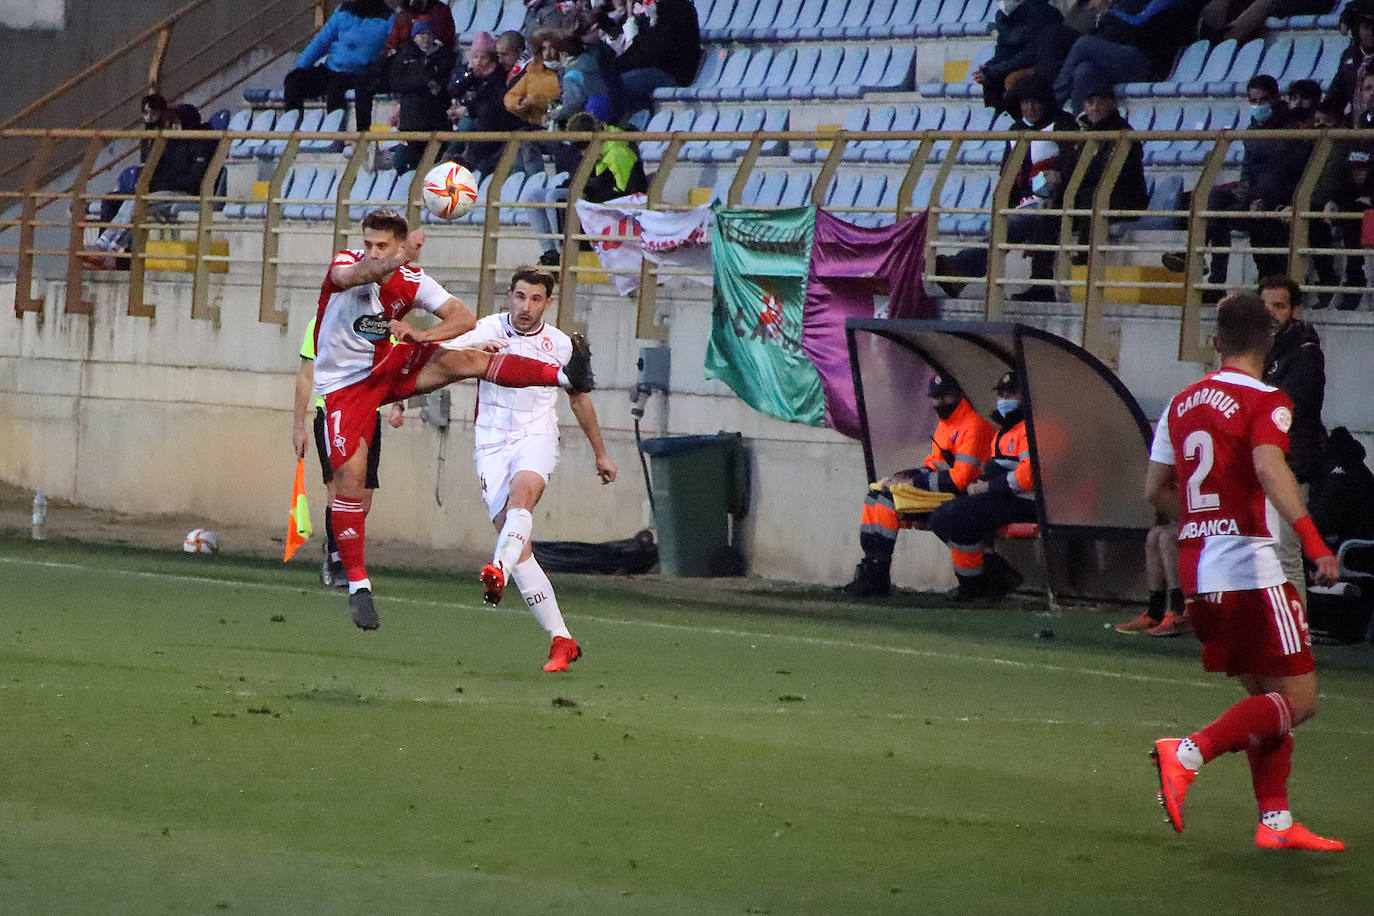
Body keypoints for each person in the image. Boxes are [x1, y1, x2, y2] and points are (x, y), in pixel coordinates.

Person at [312, 208, 595, 631]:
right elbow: (350, 278)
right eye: (368, 243)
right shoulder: (346, 263)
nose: (371, 251)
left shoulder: (412, 281)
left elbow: (461, 318)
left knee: (471, 360)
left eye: (381, 245)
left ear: (398, 243)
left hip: (390, 365)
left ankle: (563, 373)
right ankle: (358, 585)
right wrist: (396, 258)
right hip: (345, 388)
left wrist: (423, 336)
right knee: (350, 482)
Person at [1146, 293, 1344, 852]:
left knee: (1267, 701)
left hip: (1198, 572)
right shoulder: (1267, 399)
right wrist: (1311, 540)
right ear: (1270, 340)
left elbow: (1152, 490)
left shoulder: (1180, 402)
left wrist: (1203, 520)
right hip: (1250, 570)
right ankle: (1186, 753)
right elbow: (1267, 464)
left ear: (1215, 341)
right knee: (1300, 701)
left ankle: (1275, 824)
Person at [438, 267, 617, 672]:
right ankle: (562, 639)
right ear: (509, 295)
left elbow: (579, 400)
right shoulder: (486, 329)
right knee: (519, 548)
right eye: (520, 297)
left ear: (548, 304)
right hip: (490, 442)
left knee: (523, 501)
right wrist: (478, 348)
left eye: (536, 299)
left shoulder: (560, 345)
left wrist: (600, 453)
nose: (526, 306)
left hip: (536, 438)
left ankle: (495, 569)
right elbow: (440, 362)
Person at [840, 374, 996, 598]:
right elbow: (934, 465)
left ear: (959, 396)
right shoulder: (947, 424)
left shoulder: (972, 426)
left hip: (961, 493)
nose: (940, 402)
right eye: (936, 398)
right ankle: (872, 566)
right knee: (876, 493)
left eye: (945, 396)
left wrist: (913, 482)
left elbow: (959, 480)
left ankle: (877, 575)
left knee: (886, 500)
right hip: (942, 490)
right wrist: (905, 476)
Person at [293, 316, 403, 587]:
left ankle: (338, 544)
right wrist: (298, 424)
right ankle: (336, 560)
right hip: (333, 411)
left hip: (368, 413)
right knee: (339, 489)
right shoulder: (320, 322)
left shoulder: (378, 323)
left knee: (363, 499)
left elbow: (393, 365)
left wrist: (398, 404)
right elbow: (307, 374)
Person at [928, 370, 1039, 602]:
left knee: (957, 514)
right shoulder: (1005, 431)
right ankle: (987, 576)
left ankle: (978, 584)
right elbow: (996, 467)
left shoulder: (1033, 428)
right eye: (1002, 394)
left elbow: (1027, 477)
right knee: (940, 517)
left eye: (1012, 393)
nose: (1005, 399)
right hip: (1004, 497)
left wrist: (989, 487)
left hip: (1028, 501)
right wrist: (983, 482)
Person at [1260, 277, 1327, 606]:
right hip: (1264, 465)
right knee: (1265, 557)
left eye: (1279, 306)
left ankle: (1296, 636)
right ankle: (1273, 634)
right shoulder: (1263, 350)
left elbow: (1288, 406)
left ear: (1295, 310)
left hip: (1290, 467)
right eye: (1265, 306)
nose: (1270, 313)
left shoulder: (1305, 353)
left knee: (1284, 556)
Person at [82, 104, 213, 268]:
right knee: (131, 200)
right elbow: (154, 171)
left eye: (177, 122)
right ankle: (103, 245)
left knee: (140, 203)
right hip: (160, 192)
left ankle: (112, 250)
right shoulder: (169, 144)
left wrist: (161, 184)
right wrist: (152, 185)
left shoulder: (201, 145)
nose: (174, 126)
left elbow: (194, 180)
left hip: (183, 193)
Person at [528, 111, 648, 267]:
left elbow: (625, 193)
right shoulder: (596, 151)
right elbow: (581, 178)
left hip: (610, 212)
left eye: (583, 147)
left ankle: (561, 253)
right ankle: (550, 252)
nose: (582, 152)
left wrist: (590, 190)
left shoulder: (617, 152)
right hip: (592, 200)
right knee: (534, 196)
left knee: (555, 197)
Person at [1053, 0, 1203, 112]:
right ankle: (1080, 130)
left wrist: (1108, 11)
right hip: (1130, 55)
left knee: (1084, 44)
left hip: (1149, 61)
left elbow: (1138, 26)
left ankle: (1051, 106)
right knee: (1084, 71)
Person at [282, 0, 393, 134]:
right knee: (294, 82)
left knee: (337, 90)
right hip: (331, 69)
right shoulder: (343, 11)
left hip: (361, 74)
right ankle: (292, 132)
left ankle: (342, 138)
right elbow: (321, 42)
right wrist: (300, 66)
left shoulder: (388, 18)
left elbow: (391, 49)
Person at [388, 20, 457, 176]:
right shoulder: (405, 56)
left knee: (436, 165)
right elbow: (396, 82)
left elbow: (447, 83)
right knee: (406, 163)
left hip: (437, 120)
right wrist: (424, 82)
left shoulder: (444, 56)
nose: (425, 38)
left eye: (428, 34)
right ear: (414, 37)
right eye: (421, 34)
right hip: (411, 121)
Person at [973, 0, 1065, 116]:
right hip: (1017, 64)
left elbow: (1031, 55)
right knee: (989, 80)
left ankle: (1024, 123)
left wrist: (995, 70)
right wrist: (988, 68)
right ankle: (1000, 122)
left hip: (1040, 67)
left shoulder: (1041, 12)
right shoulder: (1002, 15)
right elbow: (1003, 50)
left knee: (1011, 80)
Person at [443, 30, 515, 174]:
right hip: (466, 115)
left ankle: (454, 159)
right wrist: (470, 76)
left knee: (466, 125)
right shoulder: (467, 72)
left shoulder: (497, 75)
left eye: (484, 58)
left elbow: (489, 99)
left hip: (487, 122)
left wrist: (467, 109)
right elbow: (453, 89)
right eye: (476, 57)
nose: (479, 61)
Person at [612, 0, 700, 113]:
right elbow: (638, 47)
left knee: (614, 85)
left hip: (671, 73)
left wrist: (615, 67)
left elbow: (653, 52)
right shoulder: (647, 9)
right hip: (650, 68)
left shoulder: (676, 7)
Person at [1112, 517, 1188, 635]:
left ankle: (1179, 611)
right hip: (1196, 521)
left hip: (1213, 526)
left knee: (1168, 537)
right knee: (1154, 535)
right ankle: (1155, 613)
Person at [1307, 426, 1374, 549]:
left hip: (1353, 549)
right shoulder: (1361, 471)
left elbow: (1325, 521)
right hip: (1363, 544)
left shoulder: (1338, 476)